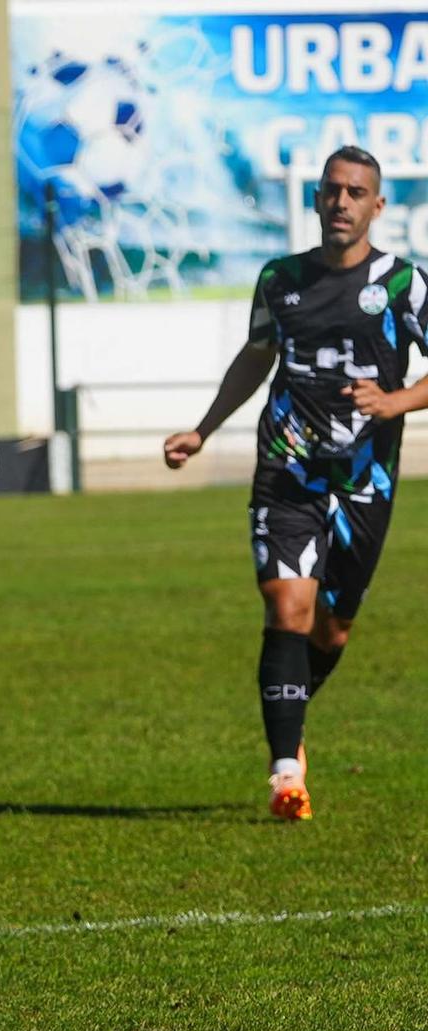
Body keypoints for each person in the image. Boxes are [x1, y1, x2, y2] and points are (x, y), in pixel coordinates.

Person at [164, 146, 428, 820]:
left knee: (332, 631)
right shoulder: (279, 278)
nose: (342, 202)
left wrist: (397, 402)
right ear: (315, 199)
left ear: (377, 206)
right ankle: (286, 775)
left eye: (356, 192)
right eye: (332, 190)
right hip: (287, 468)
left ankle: (291, 714)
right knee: (288, 608)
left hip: (366, 479)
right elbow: (257, 356)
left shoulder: (403, 285)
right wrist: (203, 427)